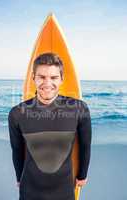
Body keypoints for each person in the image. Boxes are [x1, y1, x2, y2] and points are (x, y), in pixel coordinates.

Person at [8, 52, 92, 200]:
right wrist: (19, 178)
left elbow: (85, 145)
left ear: (61, 79)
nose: (47, 83)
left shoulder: (79, 109)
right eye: (41, 77)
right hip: (30, 190)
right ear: (33, 78)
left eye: (53, 77)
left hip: (64, 191)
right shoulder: (17, 113)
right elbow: (17, 151)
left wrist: (82, 175)